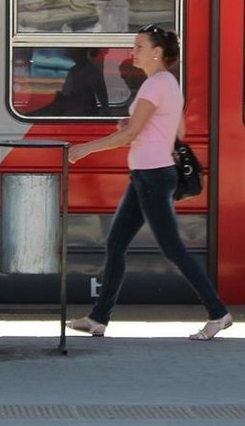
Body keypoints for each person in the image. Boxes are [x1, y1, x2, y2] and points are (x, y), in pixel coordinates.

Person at [66, 24, 232, 341]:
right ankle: (98, 319)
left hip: (153, 175)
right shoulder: (165, 83)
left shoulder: (155, 85)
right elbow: (176, 130)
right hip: (147, 174)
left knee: (173, 249)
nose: (133, 51)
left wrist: (85, 149)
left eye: (139, 46)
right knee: (116, 244)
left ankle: (217, 312)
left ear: (157, 52)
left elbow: (130, 135)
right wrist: (140, 124)